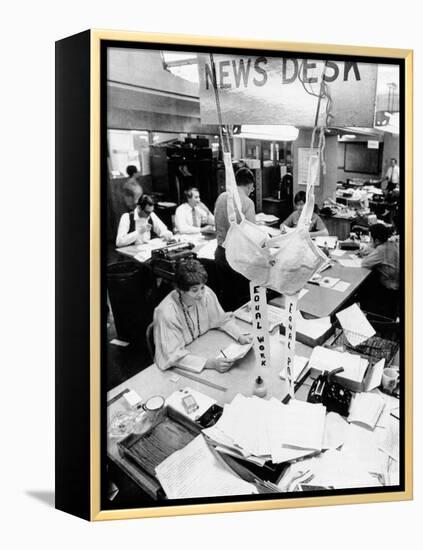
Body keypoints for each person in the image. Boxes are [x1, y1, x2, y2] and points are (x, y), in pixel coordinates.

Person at [153, 259, 252, 371]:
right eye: (194, 290)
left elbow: (222, 320)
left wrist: (240, 335)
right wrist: (210, 363)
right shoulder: (167, 312)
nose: (200, 294)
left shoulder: (206, 294)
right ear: (180, 290)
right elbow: (172, 356)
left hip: (201, 348)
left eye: (202, 287)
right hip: (177, 366)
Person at [214, 166, 257, 311]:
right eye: (252, 189)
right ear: (250, 186)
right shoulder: (247, 202)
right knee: (241, 302)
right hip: (237, 258)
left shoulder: (221, 197)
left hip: (220, 253)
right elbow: (251, 235)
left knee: (226, 297)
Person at [358, 223, 400, 318]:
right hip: (397, 284)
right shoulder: (391, 244)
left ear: (376, 240)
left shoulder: (381, 250)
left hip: (389, 287)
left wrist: (370, 249)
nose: (370, 241)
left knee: (363, 283)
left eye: (371, 239)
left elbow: (364, 263)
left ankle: (366, 311)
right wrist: (373, 250)